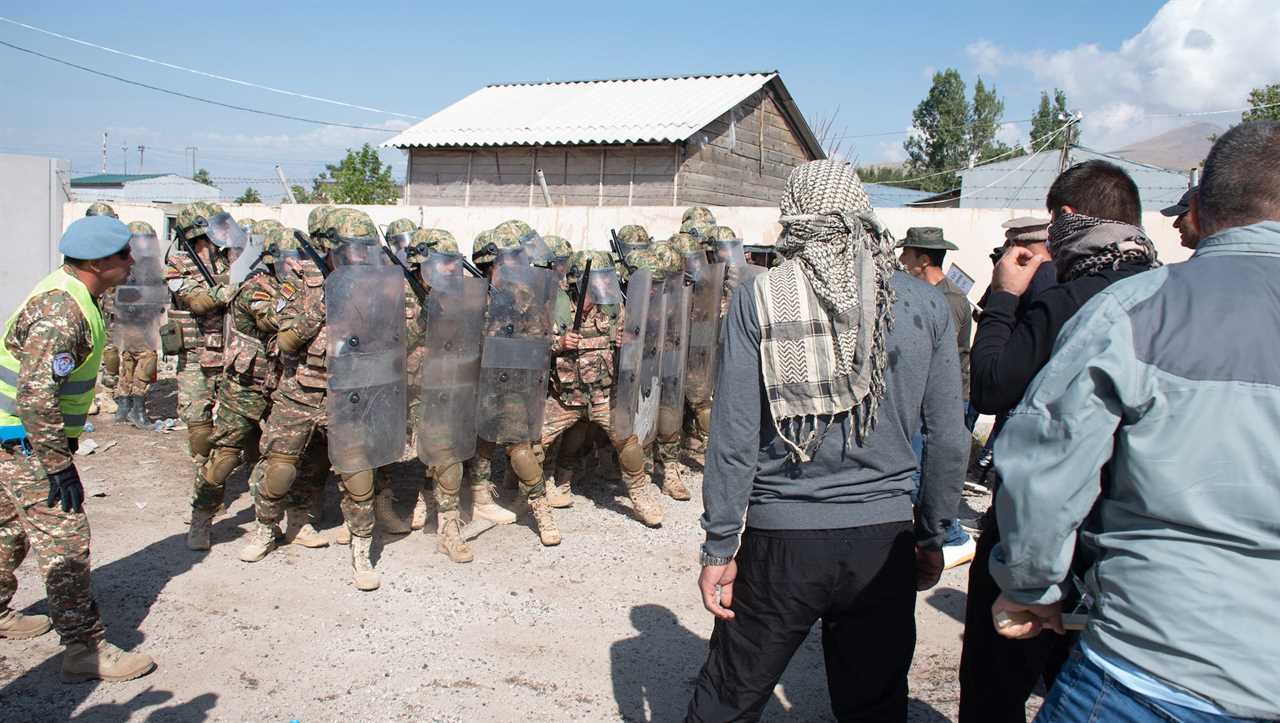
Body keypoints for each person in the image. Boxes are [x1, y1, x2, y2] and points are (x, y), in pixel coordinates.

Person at [990, 121, 1280, 722]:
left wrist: (1030, 586)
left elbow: (1044, 462)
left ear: (1200, 205)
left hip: (1151, 666)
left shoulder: (1135, 310)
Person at [688, 160, 967, 720]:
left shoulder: (760, 298)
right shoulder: (922, 302)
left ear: (794, 215)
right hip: (883, 542)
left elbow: (735, 432)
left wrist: (721, 544)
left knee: (728, 702)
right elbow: (949, 439)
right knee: (874, 706)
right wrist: (932, 535)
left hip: (781, 540)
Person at [959, 159, 1161, 722]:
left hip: (1037, 530)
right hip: (1123, 537)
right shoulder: (1166, 297)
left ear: (1068, 219)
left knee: (995, 686)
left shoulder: (1069, 302)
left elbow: (994, 386)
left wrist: (1003, 297)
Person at [0, 215, 155, 681]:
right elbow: (35, 396)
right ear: (97, 261)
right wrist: (58, 464)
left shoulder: (75, 295)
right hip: (24, 442)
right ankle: (84, 649)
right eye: (124, 255)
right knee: (66, 542)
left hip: (12, 440)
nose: (131, 262)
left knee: (7, 533)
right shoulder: (61, 312)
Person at [897, 226, 975, 568]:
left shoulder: (950, 301)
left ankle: (954, 535)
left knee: (924, 475)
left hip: (945, 400)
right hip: (922, 397)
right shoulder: (921, 294)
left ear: (923, 259)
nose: (901, 259)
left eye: (907, 254)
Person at [165, 202, 235, 501]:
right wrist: (230, 289)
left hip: (232, 352)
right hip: (196, 356)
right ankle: (205, 491)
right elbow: (197, 301)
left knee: (237, 426)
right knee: (199, 427)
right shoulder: (177, 264)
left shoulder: (230, 259)